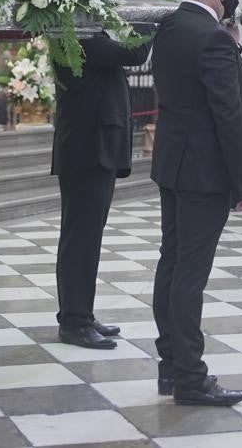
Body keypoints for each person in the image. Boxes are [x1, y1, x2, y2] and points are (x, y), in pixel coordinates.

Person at [150, 0, 242, 407]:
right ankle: (191, 377)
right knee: (190, 276)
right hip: (204, 172)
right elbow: (228, 113)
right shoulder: (212, 37)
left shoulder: (171, 26)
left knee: (171, 265)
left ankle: (171, 366)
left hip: (173, 163)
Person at [51, 34, 151, 349]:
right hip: (86, 150)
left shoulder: (90, 37)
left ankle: (81, 312)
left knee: (87, 237)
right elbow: (135, 52)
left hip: (95, 148)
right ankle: (73, 321)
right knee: (80, 238)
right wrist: (149, 23)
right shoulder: (78, 38)